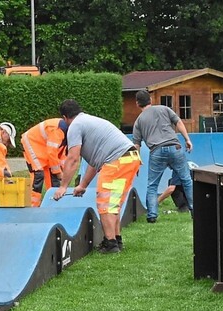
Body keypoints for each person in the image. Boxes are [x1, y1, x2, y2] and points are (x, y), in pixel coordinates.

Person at [52, 99, 141, 254]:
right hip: (130, 157)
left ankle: (110, 244)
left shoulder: (75, 126)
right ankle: (116, 239)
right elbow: (94, 163)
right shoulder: (89, 121)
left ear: (65, 118)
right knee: (113, 202)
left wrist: (63, 186)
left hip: (117, 160)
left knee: (105, 202)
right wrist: (83, 185)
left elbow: (73, 159)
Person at [131, 89, 194, 223]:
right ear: (151, 100)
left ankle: (152, 215)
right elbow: (178, 122)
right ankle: (195, 210)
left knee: (152, 185)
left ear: (137, 104)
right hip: (175, 147)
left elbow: (136, 145)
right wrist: (187, 139)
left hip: (156, 151)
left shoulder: (138, 121)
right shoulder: (164, 109)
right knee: (186, 180)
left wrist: (135, 162)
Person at [21, 118, 69, 207]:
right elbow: (52, 152)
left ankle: (53, 204)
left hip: (43, 145)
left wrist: (62, 171)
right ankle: (32, 206)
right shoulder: (57, 130)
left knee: (53, 176)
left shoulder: (68, 133)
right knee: (38, 174)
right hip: (31, 142)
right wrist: (58, 172)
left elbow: (62, 155)